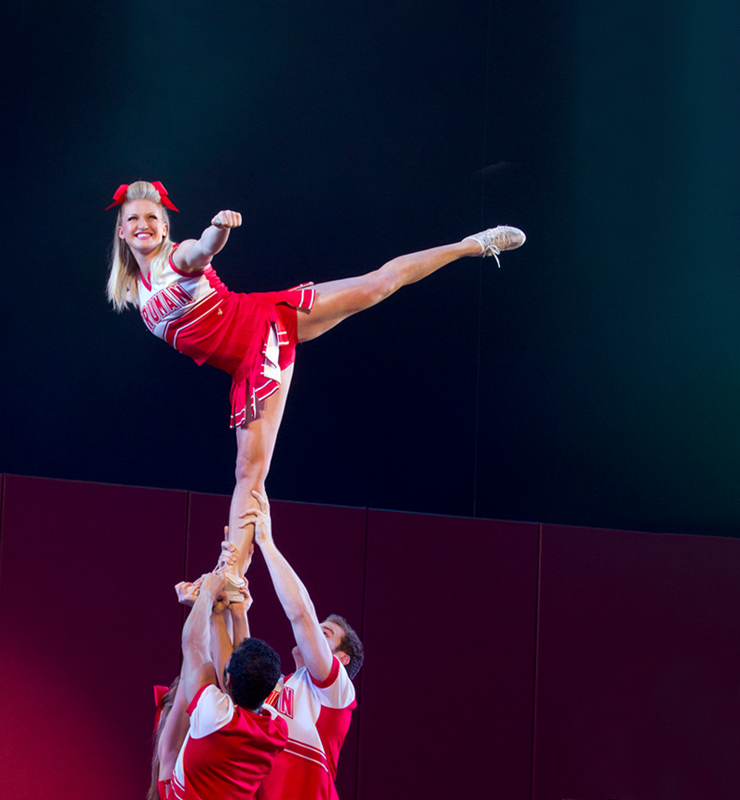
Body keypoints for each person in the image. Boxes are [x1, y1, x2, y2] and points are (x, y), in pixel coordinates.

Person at [106, 179, 526, 595]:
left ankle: (474, 244)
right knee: (248, 472)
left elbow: (203, 249)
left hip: (265, 327)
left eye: (152, 218)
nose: (144, 224)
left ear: (164, 227)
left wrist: (219, 229)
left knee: (379, 284)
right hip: (245, 364)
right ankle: (231, 570)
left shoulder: (177, 258)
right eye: (134, 219)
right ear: (122, 231)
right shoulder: (138, 293)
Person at [227, 490, 363, 800]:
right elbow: (241, 666)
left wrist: (267, 543)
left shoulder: (335, 693)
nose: (314, 632)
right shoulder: (278, 685)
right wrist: (236, 604)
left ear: (340, 659)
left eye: (324, 633)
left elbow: (301, 615)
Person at [169, 568, 289, 800]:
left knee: (167, 753)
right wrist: (237, 613)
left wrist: (206, 594)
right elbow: (240, 668)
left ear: (229, 680)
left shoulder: (215, 715)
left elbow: (193, 645)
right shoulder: (276, 729)